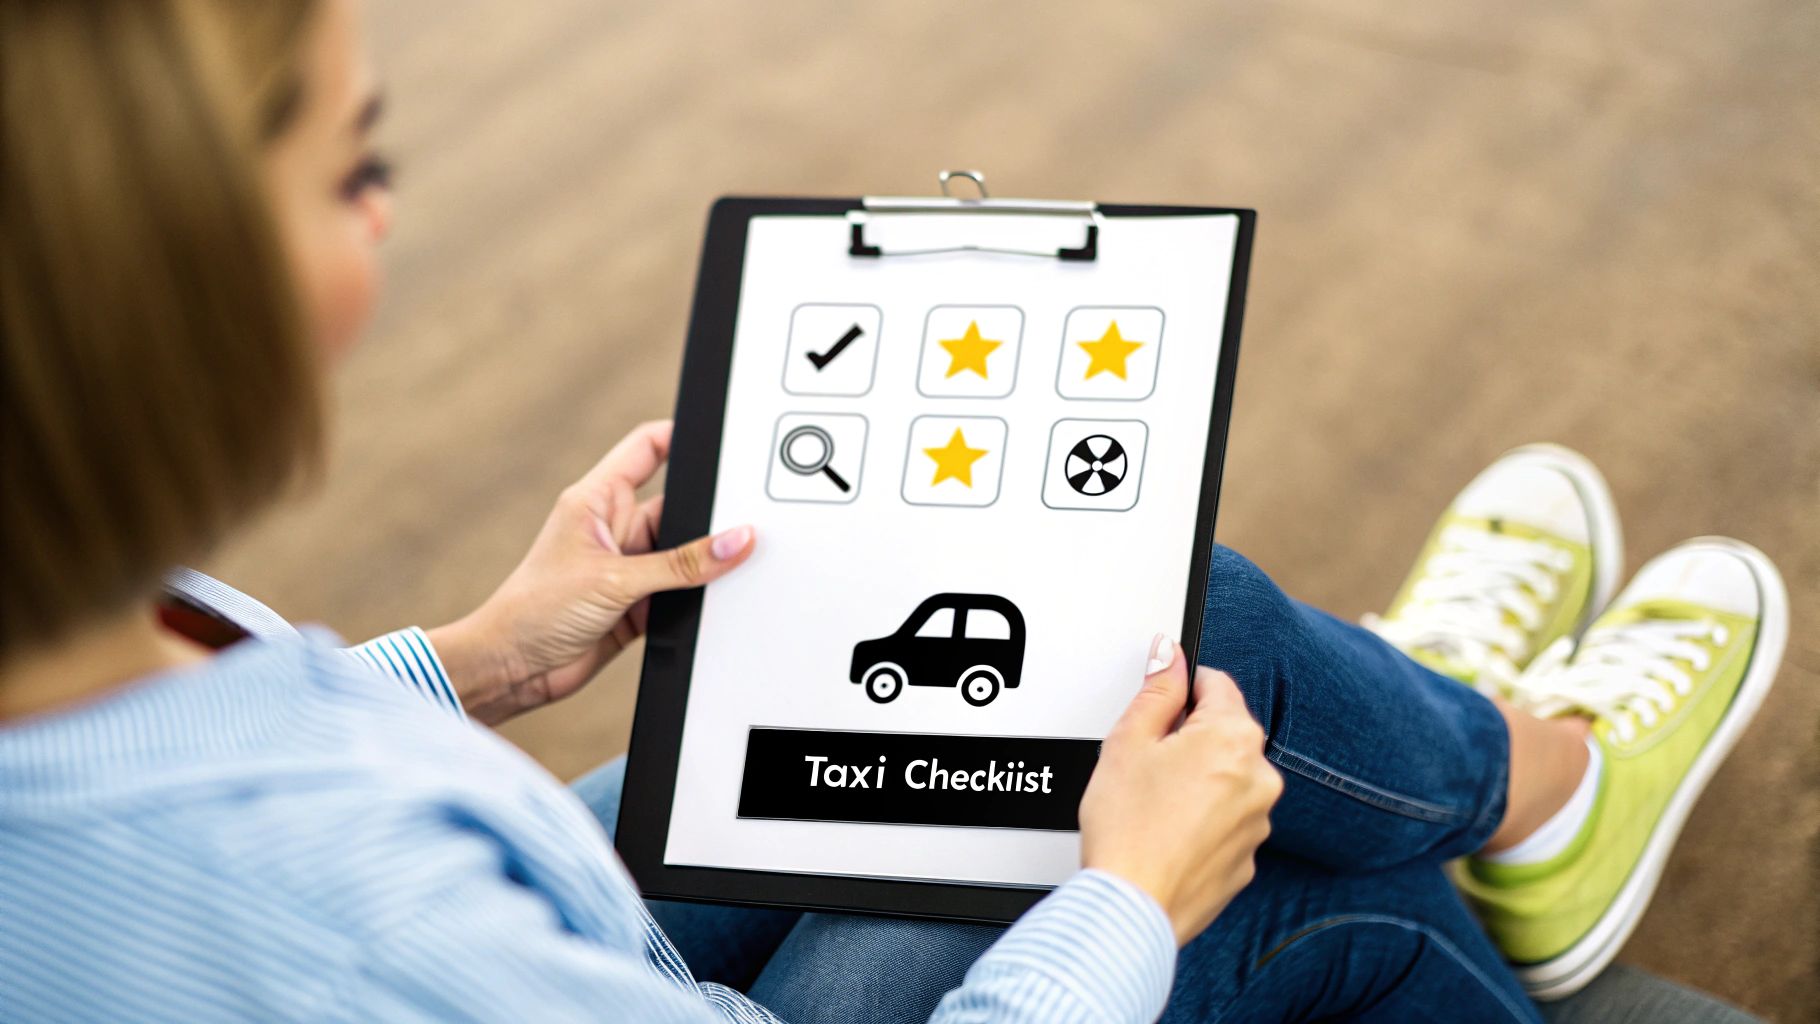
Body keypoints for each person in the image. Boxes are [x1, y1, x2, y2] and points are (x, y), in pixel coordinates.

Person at [0, 1, 1782, 1021]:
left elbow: (201, 740)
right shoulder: (363, 931)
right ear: (174, 300)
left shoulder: (63, 633)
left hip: (555, 931)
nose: (385, 221)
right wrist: (1132, 906)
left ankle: (1475, 752)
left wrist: (466, 661)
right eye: (353, 168)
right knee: (1191, 746)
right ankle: (1509, 794)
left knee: (1132, 641)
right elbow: (369, 928)